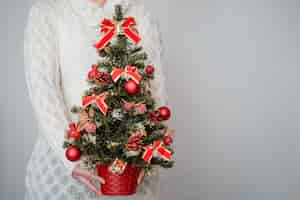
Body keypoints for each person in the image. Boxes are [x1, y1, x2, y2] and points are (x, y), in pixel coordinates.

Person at [23, 0, 168, 199]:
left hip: (130, 166)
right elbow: (43, 89)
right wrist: (71, 157)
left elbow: (154, 88)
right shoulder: (49, 12)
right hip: (65, 168)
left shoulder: (139, 14)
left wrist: (152, 149)